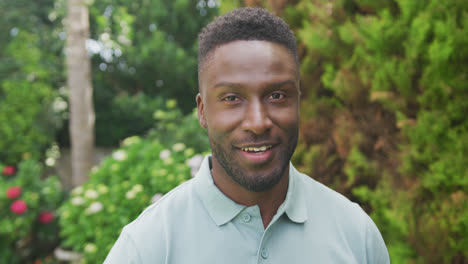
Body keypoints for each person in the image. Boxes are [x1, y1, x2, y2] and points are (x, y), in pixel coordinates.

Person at [105, 7, 390, 263]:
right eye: (231, 98)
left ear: (298, 102)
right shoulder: (147, 246)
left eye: (277, 95)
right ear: (202, 111)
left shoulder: (356, 235)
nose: (258, 122)